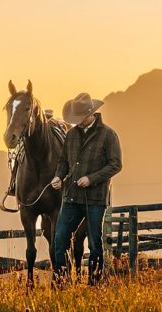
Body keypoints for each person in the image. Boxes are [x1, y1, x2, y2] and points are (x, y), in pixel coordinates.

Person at [50, 92, 122, 285]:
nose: (78, 122)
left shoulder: (108, 135)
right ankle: (61, 282)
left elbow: (115, 164)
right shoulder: (71, 135)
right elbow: (63, 162)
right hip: (71, 197)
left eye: (81, 118)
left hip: (95, 199)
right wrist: (58, 176)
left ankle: (95, 283)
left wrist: (91, 179)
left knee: (94, 243)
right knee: (60, 240)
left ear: (92, 114)